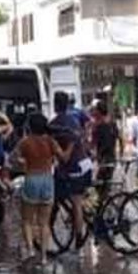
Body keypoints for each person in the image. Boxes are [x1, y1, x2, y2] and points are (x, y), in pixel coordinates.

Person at [17, 114, 71, 265]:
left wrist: (24, 163)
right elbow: (64, 158)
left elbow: (15, 159)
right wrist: (72, 145)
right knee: (44, 223)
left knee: (27, 220)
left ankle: (30, 250)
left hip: (31, 179)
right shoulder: (50, 141)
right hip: (48, 180)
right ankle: (44, 257)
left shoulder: (25, 142)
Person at [52, 94, 94, 246]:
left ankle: (79, 235)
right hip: (84, 163)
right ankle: (85, 217)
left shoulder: (55, 124)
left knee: (76, 201)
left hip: (74, 167)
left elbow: (61, 153)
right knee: (80, 198)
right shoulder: (74, 120)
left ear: (55, 105)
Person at [91, 103, 123, 192]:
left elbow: (94, 144)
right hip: (111, 157)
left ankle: (106, 203)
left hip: (104, 160)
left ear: (99, 112)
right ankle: (106, 202)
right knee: (105, 185)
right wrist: (121, 153)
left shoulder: (99, 126)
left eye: (95, 111)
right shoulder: (112, 123)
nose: (93, 113)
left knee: (100, 185)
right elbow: (120, 138)